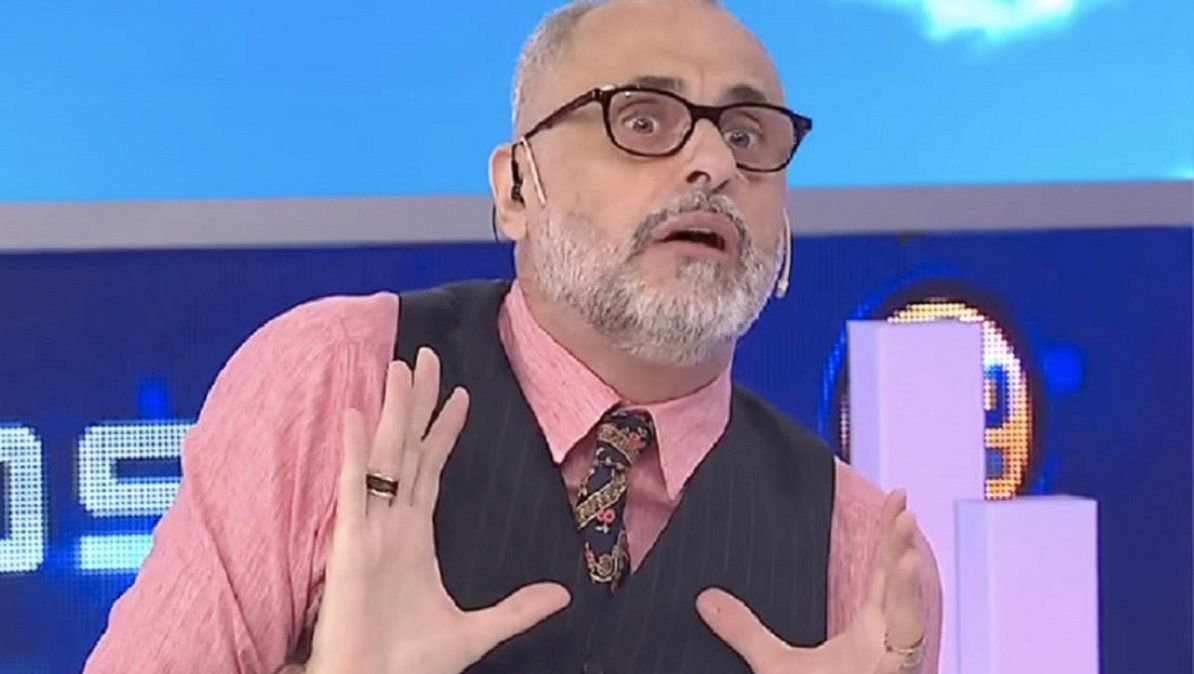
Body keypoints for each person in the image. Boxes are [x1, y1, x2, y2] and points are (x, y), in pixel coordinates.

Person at [84, 0, 943, 672]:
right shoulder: (339, 386)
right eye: (643, 121)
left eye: (748, 136)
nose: (714, 164)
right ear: (517, 188)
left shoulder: (863, 551)